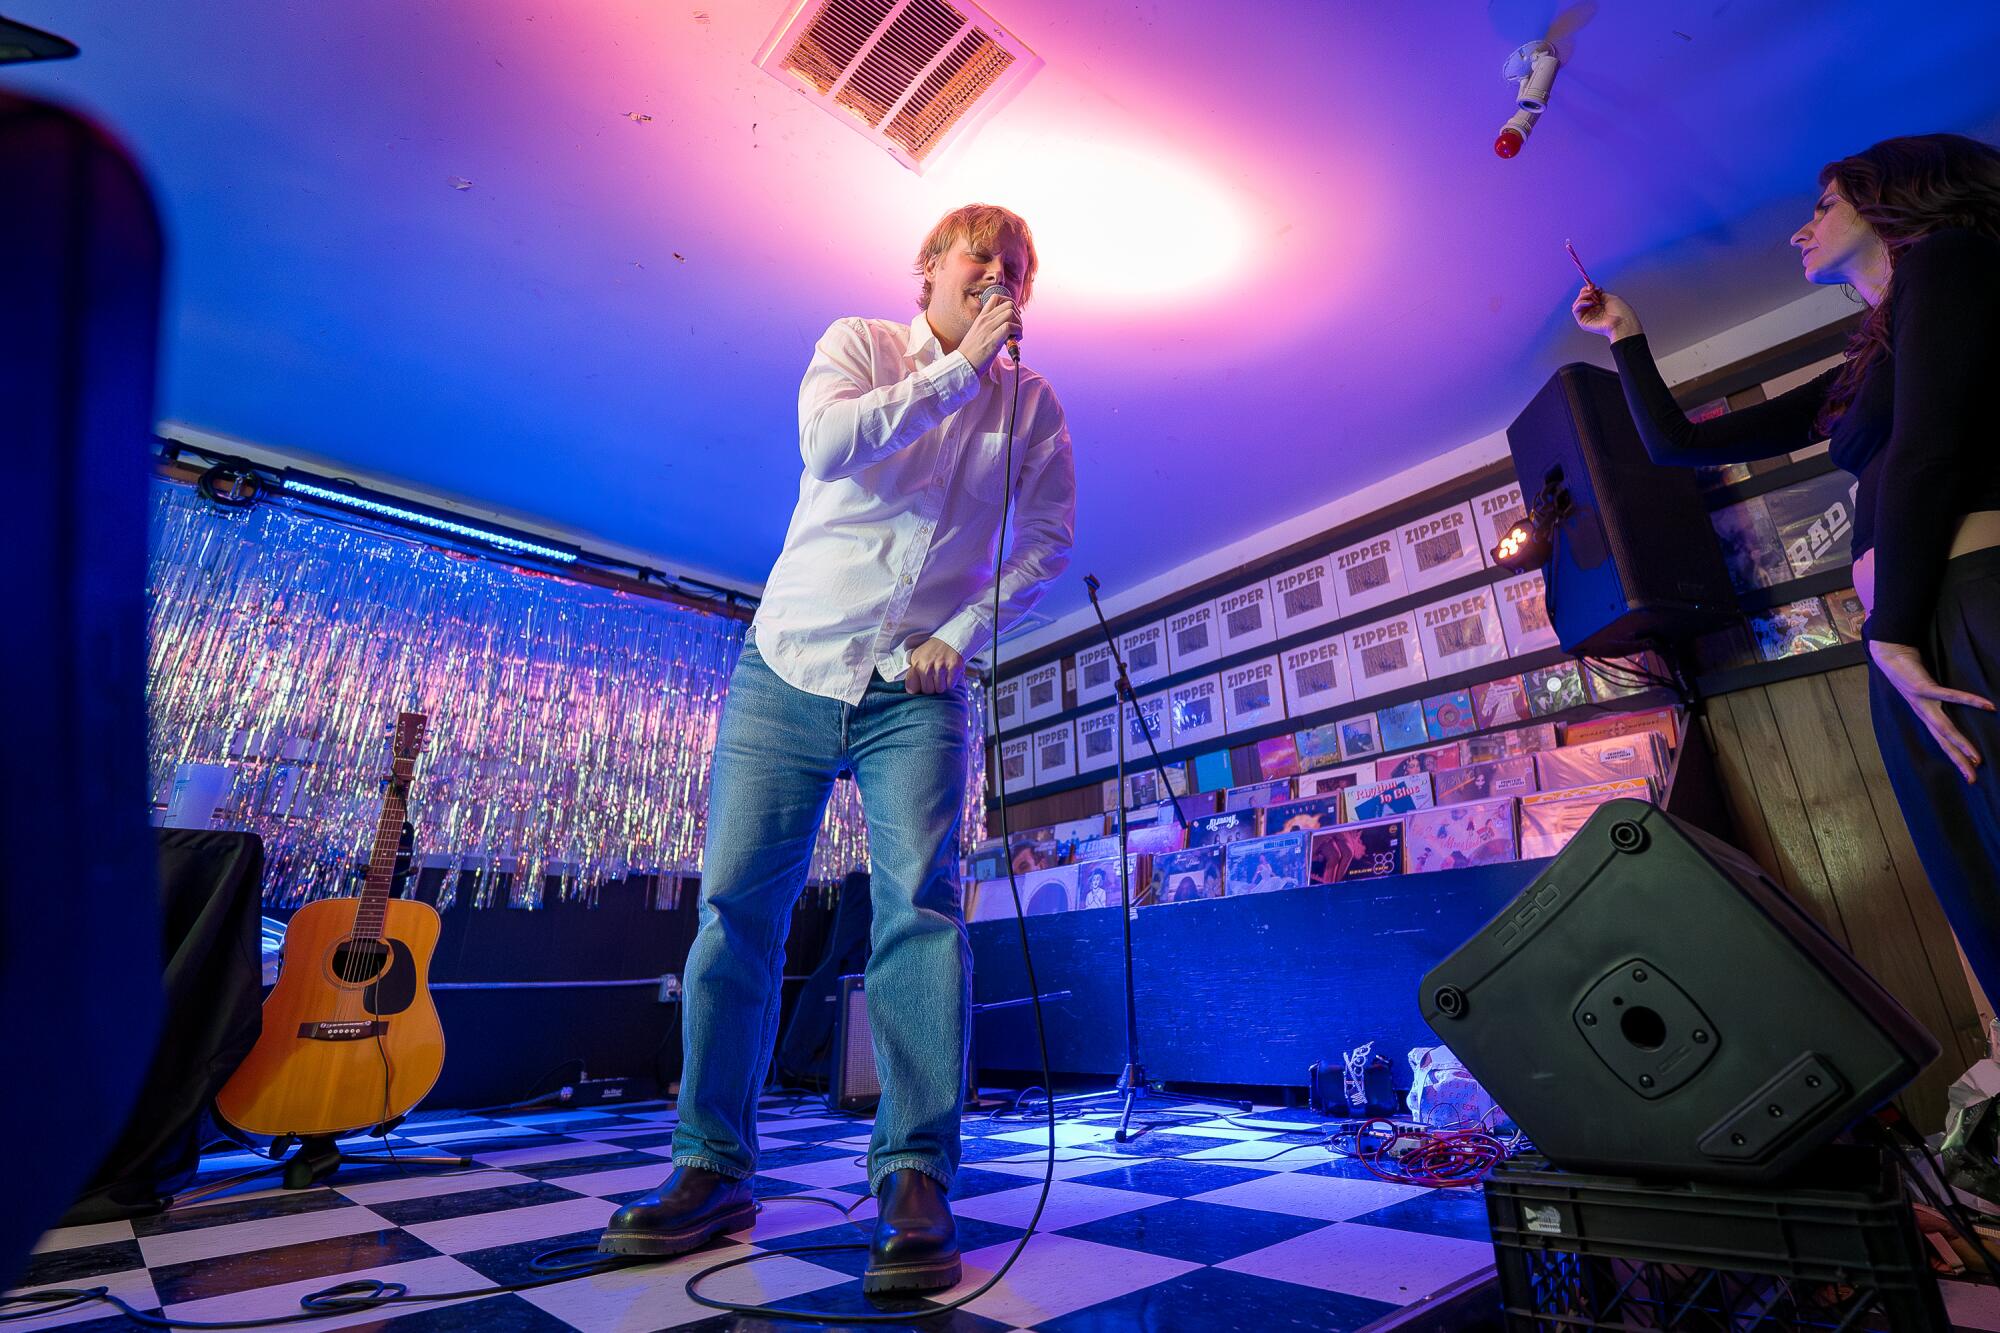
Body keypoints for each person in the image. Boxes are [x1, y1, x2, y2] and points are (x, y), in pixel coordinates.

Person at [599, 204, 1076, 1296]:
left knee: (921, 911)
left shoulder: (1034, 406)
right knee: (737, 915)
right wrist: (955, 369)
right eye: (979, 260)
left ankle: (912, 1171)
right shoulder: (857, 345)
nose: (999, 277)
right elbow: (831, 444)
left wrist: (959, 635)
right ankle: (710, 1168)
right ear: (928, 276)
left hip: (917, 685)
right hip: (789, 667)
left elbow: (1045, 538)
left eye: (1016, 270)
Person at [1572, 132, 2000, 1006]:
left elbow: (1930, 451)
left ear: (1894, 198)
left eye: (1821, 205)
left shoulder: (1952, 262)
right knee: (1979, 889)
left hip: (1952, 612)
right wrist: (1626, 336)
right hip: (1909, 634)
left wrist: (1896, 628)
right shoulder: (1866, 359)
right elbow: (1681, 443)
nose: (1800, 231)